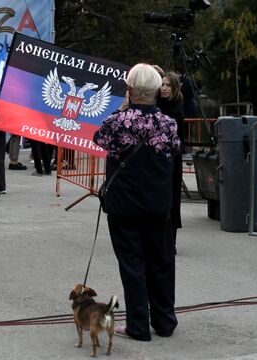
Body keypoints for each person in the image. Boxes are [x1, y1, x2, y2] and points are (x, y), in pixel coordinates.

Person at [93, 63, 180, 341]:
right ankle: (165, 321)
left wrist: (123, 107)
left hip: (124, 205)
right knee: (161, 262)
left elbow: (100, 140)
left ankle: (138, 325)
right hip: (158, 203)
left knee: (132, 265)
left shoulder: (115, 122)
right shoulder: (168, 124)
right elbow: (175, 149)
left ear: (128, 89)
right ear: (157, 91)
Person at [156, 71, 185, 252]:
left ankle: (171, 240)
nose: (164, 88)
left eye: (168, 85)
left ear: (175, 88)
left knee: (171, 198)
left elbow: (178, 140)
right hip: (158, 158)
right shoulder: (157, 103)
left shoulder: (176, 108)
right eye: (162, 84)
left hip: (172, 159)